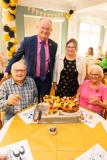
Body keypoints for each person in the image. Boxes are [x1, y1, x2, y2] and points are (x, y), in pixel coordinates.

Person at [4, 18, 58, 101]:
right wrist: (7, 69)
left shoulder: (54, 45)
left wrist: (54, 79)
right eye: (42, 28)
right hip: (30, 79)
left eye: (48, 29)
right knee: (31, 101)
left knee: (45, 101)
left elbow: (53, 63)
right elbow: (16, 56)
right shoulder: (27, 41)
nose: (45, 31)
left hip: (46, 80)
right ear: (37, 27)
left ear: (51, 30)